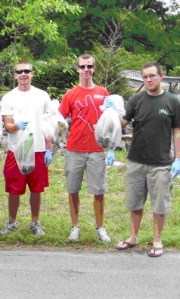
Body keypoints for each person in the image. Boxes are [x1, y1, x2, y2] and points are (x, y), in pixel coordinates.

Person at [114, 62, 180, 257]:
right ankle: (133, 237)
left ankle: (157, 240)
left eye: (152, 76)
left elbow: (177, 130)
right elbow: (123, 123)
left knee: (160, 204)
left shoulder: (172, 102)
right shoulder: (136, 99)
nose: (148, 80)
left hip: (161, 163)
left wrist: (178, 158)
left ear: (161, 76)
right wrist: (109, 115)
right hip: (136, 161)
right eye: (145, 77)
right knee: (135, 202)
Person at [59, 54, 112, 243]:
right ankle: (75, 226)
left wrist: (111, 147)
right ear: (77, 69)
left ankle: (100, 227)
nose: (86, 70)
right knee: (73, 189)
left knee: (99, 191)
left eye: (89, 66)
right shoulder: (71, 94)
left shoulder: (103, 92)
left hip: (96, 149)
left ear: (94, 68)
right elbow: (59, 120)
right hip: (74, 149)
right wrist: (56, 139)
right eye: (83, 67)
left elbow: (111, 121)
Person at [0, 61, 52, 236]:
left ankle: (35, 222)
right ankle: (12, 221)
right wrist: (16, 126)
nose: (23, 74)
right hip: (17, 150)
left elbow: (48, 124)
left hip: (37, 149)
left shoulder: (42, 96)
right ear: (14, 75)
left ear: (32, 74)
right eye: (19, 72)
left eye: (26, 71)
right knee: (14, 188)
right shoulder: (8, 98)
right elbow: (7, 125)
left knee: (36, 188)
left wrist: (49, 148)